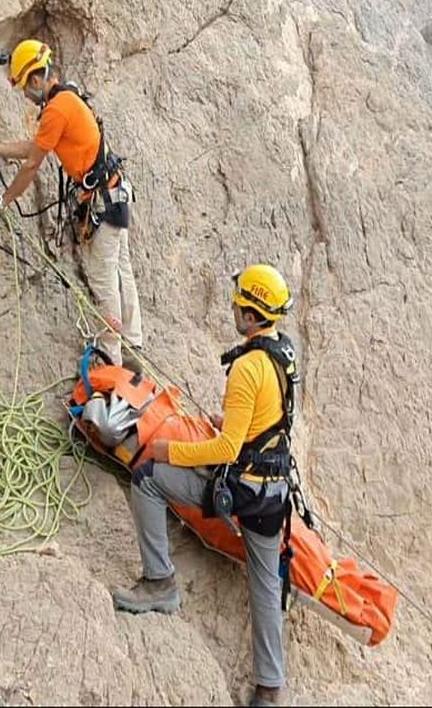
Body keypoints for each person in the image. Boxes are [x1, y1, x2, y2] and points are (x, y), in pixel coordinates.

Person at [114, 263, 298, 708]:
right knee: (265, 583)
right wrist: (231, 424)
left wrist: (167, 453)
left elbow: (227, 450)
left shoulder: (247, 369)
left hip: (243, 489)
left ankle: (160, 582)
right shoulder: (282, 354)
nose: (233, 307)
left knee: (147, 480)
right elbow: (268, 421)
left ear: (252, 315)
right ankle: (269, 689)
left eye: (239, 303)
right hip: (273, 494)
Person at [0, 39, 144, 371]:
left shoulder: (56, 109)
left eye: (25, 86)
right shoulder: (68, 97)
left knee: (102, 277)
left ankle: (113, 354)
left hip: (105, 202)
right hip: (116, 192)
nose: (25, 94)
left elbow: (32, 164)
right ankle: (133, 342)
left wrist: (4, 201)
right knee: (122, 269)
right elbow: (37, 146)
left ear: (37, 80)